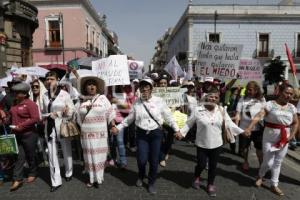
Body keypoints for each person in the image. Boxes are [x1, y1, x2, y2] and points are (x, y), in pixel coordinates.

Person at [112, 79, 180, 195]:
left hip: (156, 134)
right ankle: (141, 175)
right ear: (140, 90)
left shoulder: (159, 101)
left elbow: (168, 117)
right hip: (142, 134)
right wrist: (118, 128)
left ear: (151, 88)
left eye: (147, 87)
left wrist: (177, 129)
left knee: (154, 161)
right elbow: (129, 119)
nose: (144, 89)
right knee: (142, 159)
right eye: (142, 87)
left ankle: (151, 182)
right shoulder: (136, 103)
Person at [176, 86, 243, 197]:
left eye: (215, 97)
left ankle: (210, 184)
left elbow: (229, 124)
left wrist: (242, 132)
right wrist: (181, 133)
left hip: (217, 143)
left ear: (218, 99)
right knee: (201, 164)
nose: (213, 99)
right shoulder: (198, 109)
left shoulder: (221, 110)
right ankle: (196, 177)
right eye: (211, 96)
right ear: (207, 97)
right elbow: (189, 123)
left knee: (213, 166)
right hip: (202, 143)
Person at [244, 83, 298, 196]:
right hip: (269, 136)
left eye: (291, 94)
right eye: (286, 92)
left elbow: (296, 123)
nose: (288, 95)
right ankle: (260, 175)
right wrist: (249, 127)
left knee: (278, 162)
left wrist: (292, 135)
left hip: (285, 138)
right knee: (268, 162)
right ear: (280, 92)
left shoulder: (292, 107)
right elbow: (259, 115)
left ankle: (274, 184)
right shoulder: (270, 104)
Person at [77, 76, 117, 187]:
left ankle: (99, 177)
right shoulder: (81, 100)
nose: (91, 86)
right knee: (89, 157)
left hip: (100, 134)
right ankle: (91, 178)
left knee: (99, 156)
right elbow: (77, 117)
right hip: (86, 134)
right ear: (85, 87)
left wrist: (113, 126)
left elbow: (110, 113)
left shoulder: (103, 98)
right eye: (88, 84)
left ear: (97, 87)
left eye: (93, 84)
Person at [42, 71, 75, 192]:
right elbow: (42, 111)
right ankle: (55, 181)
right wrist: (47, 115)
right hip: (49, 127)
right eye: (47, 79)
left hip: (62, 125)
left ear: (57, 80)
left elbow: (71, 110)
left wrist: (60, 113)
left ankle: (69, 172)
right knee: (51, 153)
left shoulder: (64, 94)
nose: (49, 81)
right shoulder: (44, 95)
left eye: (51, 79)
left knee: (66, 150)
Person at [8, 82, 40, 191]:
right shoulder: (14, 104)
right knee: (19, 156)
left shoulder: (30, 104)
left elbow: (36, 118)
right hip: (17, 134)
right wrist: (5, 119)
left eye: (17, 92)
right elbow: (11, 116)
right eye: (14, 92)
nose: (15, 94)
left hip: (29, 134)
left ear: (24, 94)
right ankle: (17, 179)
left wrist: (21, 125)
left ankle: (33, 172)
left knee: (30, 155)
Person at [235, 81, 266, 170]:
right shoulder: (242, 99)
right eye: (247, 89)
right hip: (244, 128)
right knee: (244, 148)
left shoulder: (262, 99)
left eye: (250, 90)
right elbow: (238, 113)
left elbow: (263, 112)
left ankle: (261, 165)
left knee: (259, 149)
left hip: (258, 128)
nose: (248, 91)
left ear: (256, 90)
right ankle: (245, 161)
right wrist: (236, 128)